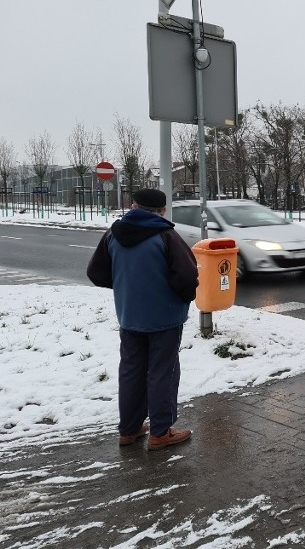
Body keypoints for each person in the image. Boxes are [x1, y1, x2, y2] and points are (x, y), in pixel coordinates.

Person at [87, 188, 199, 450]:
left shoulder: (113, 234)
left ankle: (129, 428)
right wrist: (184, 298)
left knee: (131, 370)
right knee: (163, 371)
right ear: (161, 211)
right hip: (165, 318)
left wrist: (125, 287)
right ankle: (161, 432)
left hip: (129, 315)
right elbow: (185, 276)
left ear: (133, 205)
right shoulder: (166, 235)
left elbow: (96, 273)